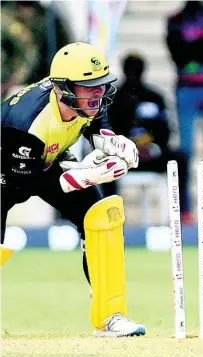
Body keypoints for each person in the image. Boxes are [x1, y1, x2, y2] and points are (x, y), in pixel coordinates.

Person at [1, 42, 146, 337]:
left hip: (44, 162)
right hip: (9, 169)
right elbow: (27, 180)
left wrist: (108, 139)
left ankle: (110, 317)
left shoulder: (84, 100)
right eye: (90, 87)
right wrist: (85, 176)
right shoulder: (26, 122)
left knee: (98, 217)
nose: (99, 93)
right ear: (64, 88)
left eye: (102, 85)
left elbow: (95, 118)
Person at [102, 53, 191, 221]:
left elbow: (165, 132)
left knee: (180, 158)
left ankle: (182, 212)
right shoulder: (113, 99)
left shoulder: (155, 97)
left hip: (151, 156)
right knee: (102, 162)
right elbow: (107, 134)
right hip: (124, 159)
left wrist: (152, 147)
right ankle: (109, 214)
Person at [165, 0, 203, 223]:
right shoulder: (175, 20)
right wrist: (196, 50)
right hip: (186, 91)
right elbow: (177, 54)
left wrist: (191, 53)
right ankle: (185, 211)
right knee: (185, 152)